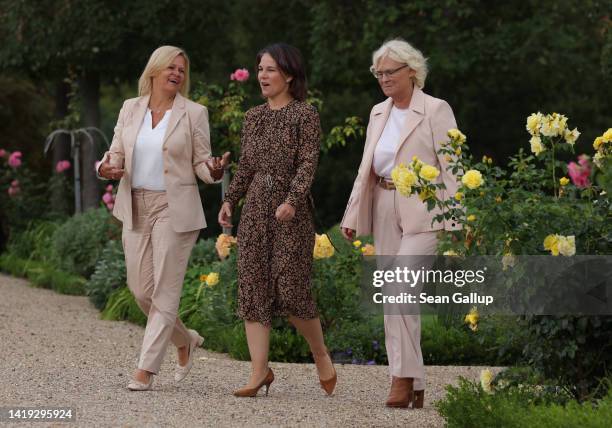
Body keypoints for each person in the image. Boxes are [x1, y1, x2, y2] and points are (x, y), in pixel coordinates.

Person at [97, 45, 230, 391]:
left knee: (165, 291)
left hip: (175, 207)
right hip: (135, 203)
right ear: (154, 71)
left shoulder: (194, 113)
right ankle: (184, 340)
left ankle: (145, 370)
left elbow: (202, 162)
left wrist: (213, 170)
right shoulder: (130, 108)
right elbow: (114, 153)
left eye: (182, 70)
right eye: (170, 67)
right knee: (141, 290)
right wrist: (105, 167)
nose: (176, 74)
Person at [340, 38, 460, 408]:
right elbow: (366, 170)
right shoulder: (378, 112)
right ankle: (412, 379)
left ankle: (402, 379)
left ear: (412, 71)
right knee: (395, 298)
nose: (384, 78)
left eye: (391, 71)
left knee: (399, 290)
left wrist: (458, 221)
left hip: (426, 209)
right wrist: (352, 212)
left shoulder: (437, 110)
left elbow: (453, 168)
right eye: (379, 73)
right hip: (383, 205)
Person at [218, 42, 336, 397]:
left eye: (270, 69)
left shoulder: (305, 114)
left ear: (288, 74)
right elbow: (247, 166)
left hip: (290, 213)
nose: (263, 76)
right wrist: (229, 201)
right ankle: (259, 373)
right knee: (253, 288)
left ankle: (320, 354)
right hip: (255, 209)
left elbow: (307, 163)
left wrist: (293, 200)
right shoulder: (253, 116)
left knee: (291, 291)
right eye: (259, 70)